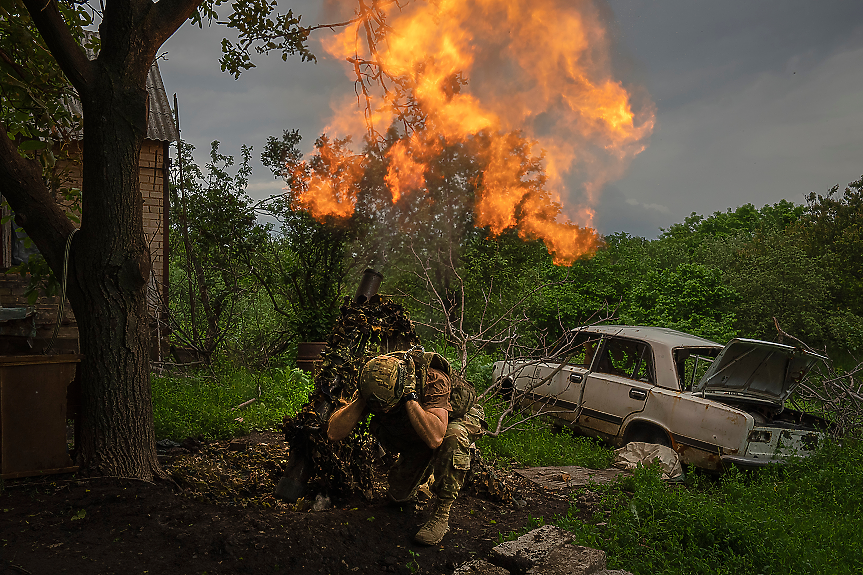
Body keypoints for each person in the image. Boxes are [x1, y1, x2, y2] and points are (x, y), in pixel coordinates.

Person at [327, 350, 484, 546]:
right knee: (398, 496)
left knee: (453, 437)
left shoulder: (433, 379)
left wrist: (410, 397)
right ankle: (421, 470)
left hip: (452, 418)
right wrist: (361, 400)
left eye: (387, 407)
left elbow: (436, 437)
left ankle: (442, 513)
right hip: (421, 424)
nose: (383, 411)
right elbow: (333, 433)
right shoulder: (375, 380)